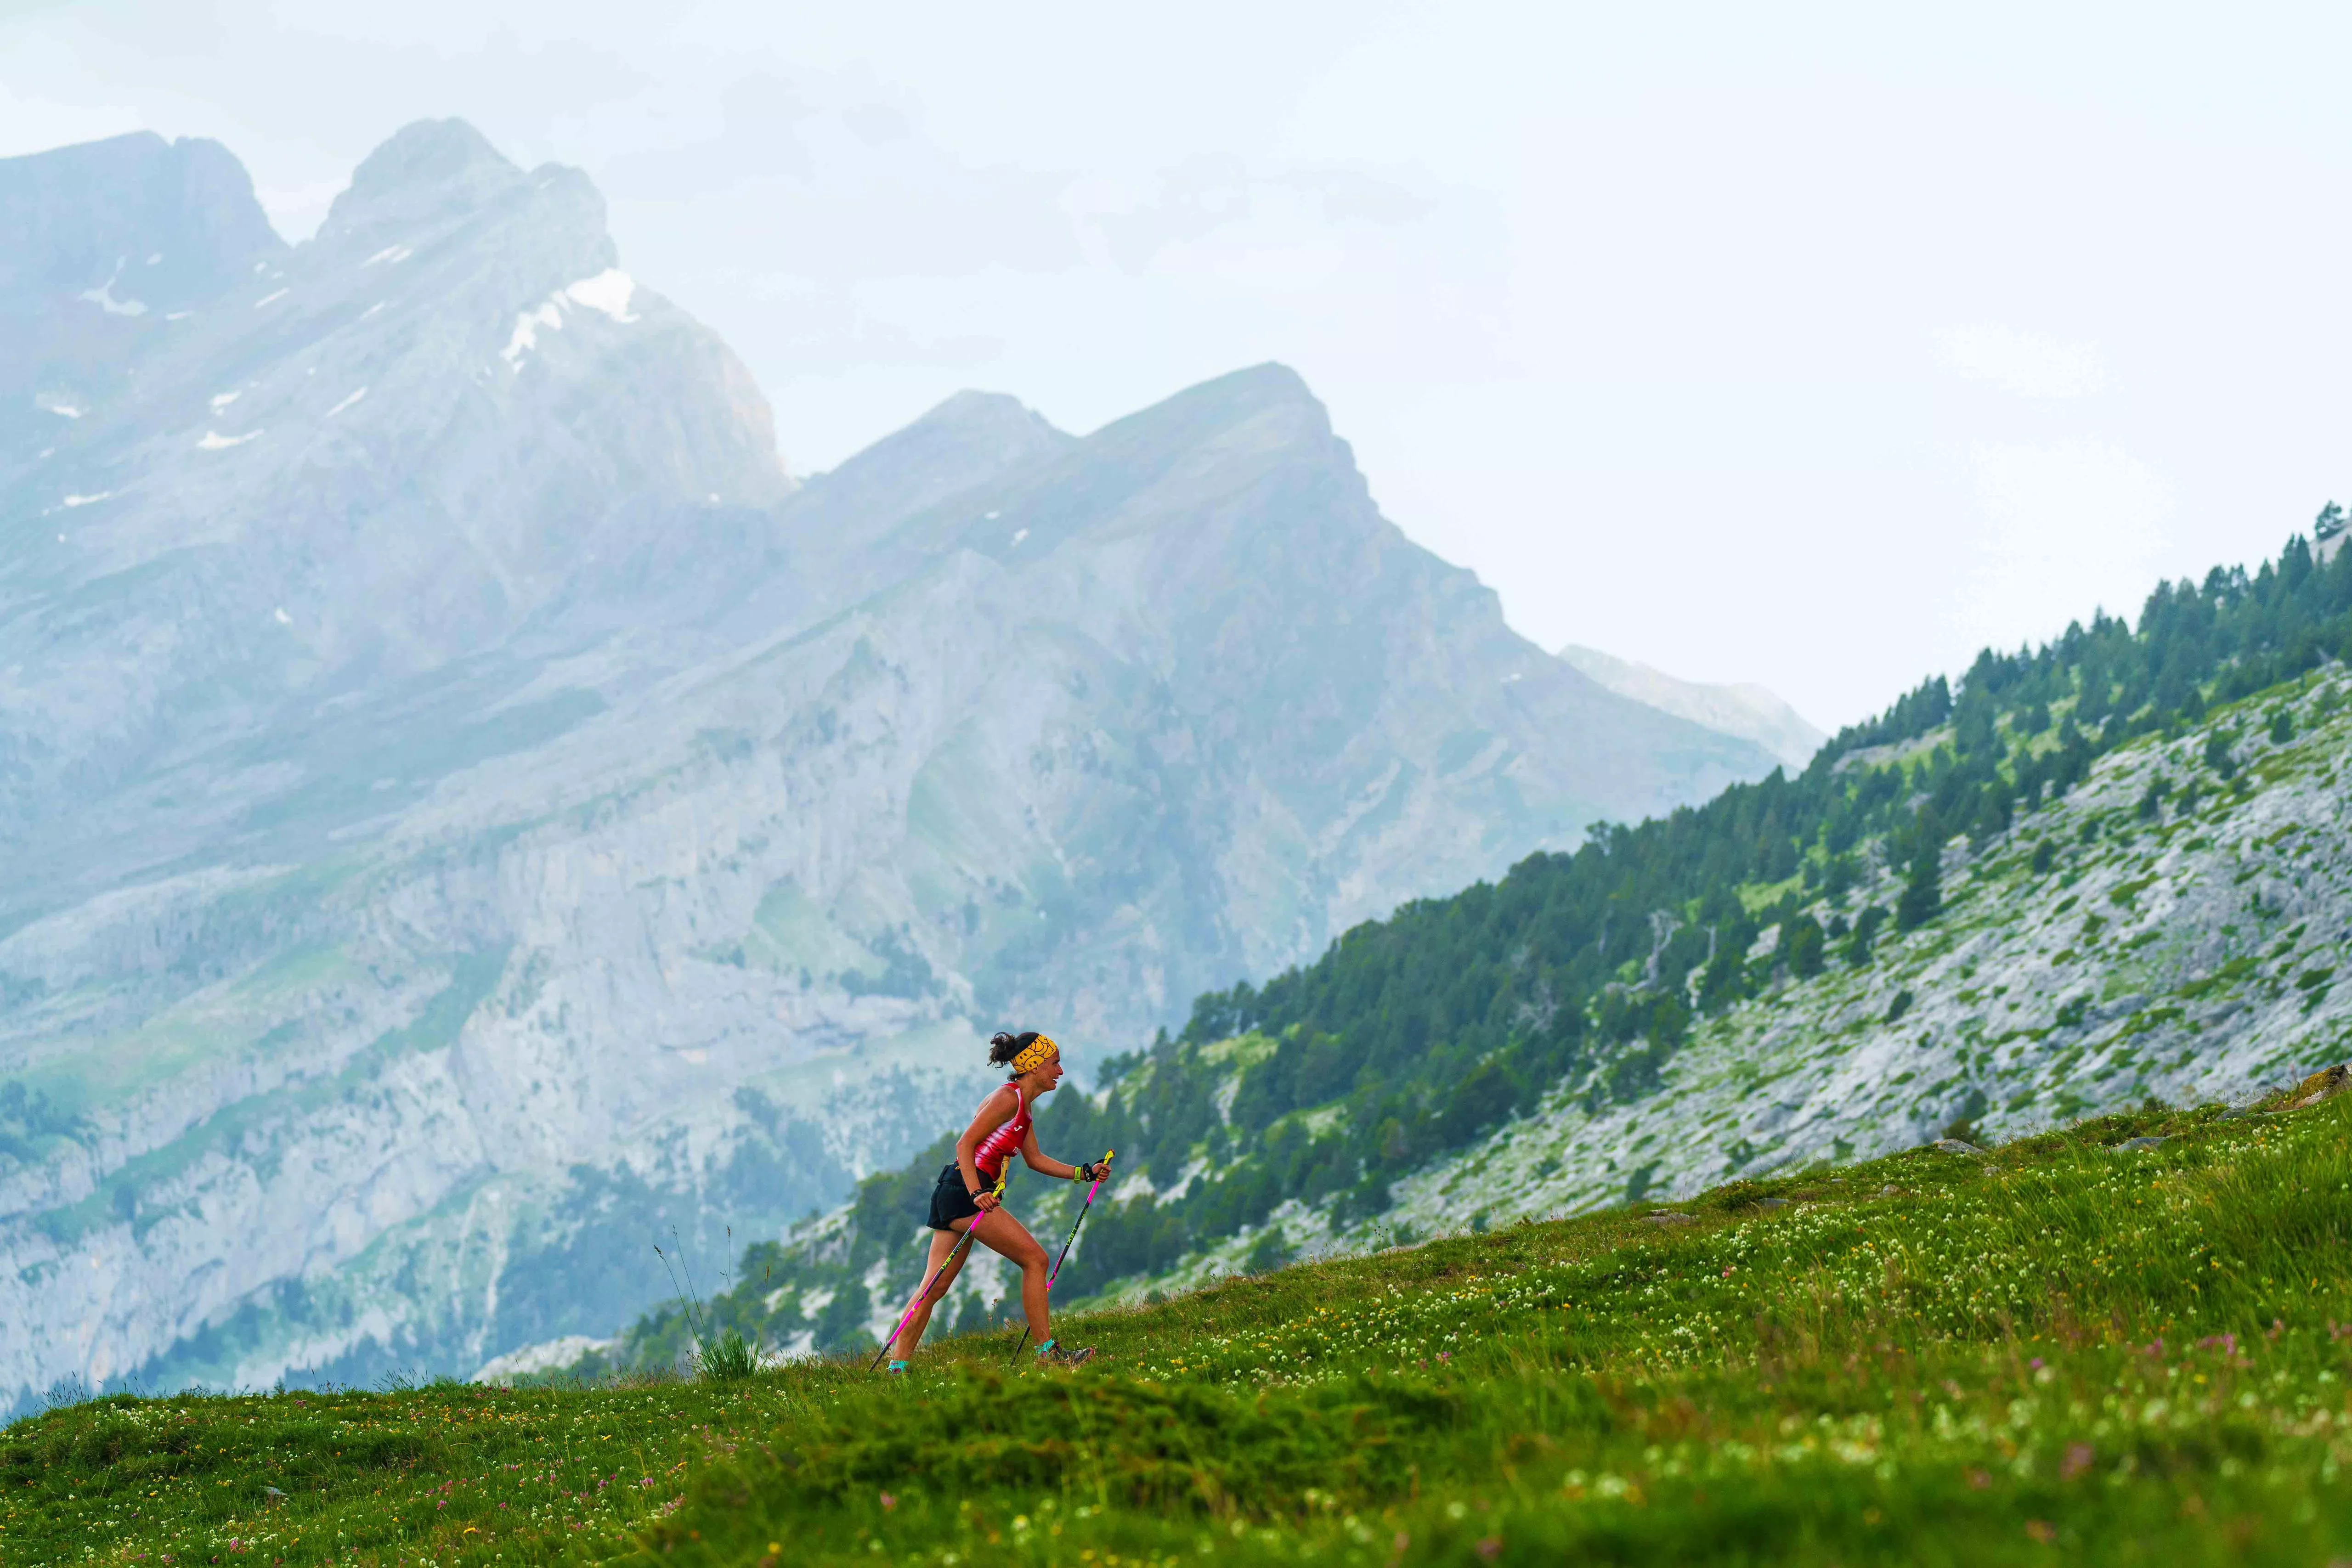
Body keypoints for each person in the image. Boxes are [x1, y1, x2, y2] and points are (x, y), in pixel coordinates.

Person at [882, 1031, 1110, 1370]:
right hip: (967, 1191)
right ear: (1033, 1066)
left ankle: (896, 1369)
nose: (1060, 1072)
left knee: (934, 1286)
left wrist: (1084, 1173)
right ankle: (1048, 1355)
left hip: (956, 1190)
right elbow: (965, 1144)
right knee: (1036, 1260)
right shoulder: (1009, 1100)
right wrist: (978, 1193)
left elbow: (1035, 1160)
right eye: (1054, 1064)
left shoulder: (1023, 1107)